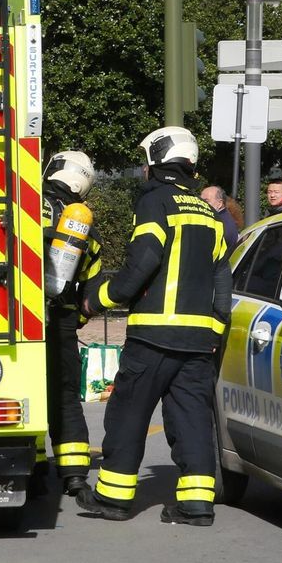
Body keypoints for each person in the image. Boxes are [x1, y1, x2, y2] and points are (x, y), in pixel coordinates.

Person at [77, 126, 232, 527]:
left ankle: (112, 499)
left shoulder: (155, 203)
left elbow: (141, 265)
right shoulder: (210, 214)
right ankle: (197, 505)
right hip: (198, 343)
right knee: (193, 420)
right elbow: (222, 284)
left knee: (128, 415)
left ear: (157, 162)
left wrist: (97, 301)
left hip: (153, 337)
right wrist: (214, 334)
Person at [41, 150, 104, 497]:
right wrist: (75, 319)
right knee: (65, 396)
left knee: (29, 392)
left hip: (22, 318)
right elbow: (91, 290)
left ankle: (34, 467)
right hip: (62, 318)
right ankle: (75, 473)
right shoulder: (84, 229)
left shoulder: (27, 202)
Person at [201, 184, 240, 250]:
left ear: (220, 203)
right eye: (200, 201)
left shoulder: (219, 223)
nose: (201, 204)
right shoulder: (226, 218)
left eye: (206, 201)